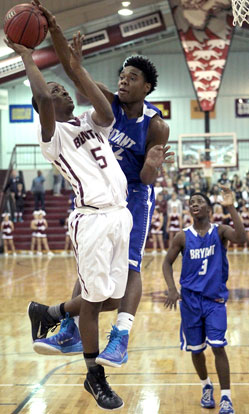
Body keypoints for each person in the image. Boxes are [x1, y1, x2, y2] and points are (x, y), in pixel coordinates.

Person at [28, 0, 174, 362]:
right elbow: (73, 70)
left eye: (132, 78)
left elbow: (146, 177)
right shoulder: (104, 105)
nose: (123, 81)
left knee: (131, 266)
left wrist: (153, 164)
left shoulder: (155, 125)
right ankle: (68, 326)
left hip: (134, 195)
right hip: (98, 200)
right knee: (88, 268)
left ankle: (120, 333)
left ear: (148, 87)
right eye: (122, 76)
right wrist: (55, 30)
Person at [4, 31, 142, 410]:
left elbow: (109, 111)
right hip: (93, 220)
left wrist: (76, 67)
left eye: (64, 89)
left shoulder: (88, 123)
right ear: (41, 104)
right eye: (54, 91)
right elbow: (44, 98)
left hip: (121, 216)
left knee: (112, 299)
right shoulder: (51, 136)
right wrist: (27, 57)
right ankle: (94, 376)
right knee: (95, 304)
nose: (60, 92)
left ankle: (50, 313)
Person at [162, 186, 246, 414]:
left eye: (199, 201)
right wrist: (171, 288)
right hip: (189, 302)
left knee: (218, 347)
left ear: (209, 208)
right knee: (196, 350)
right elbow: (166, 262)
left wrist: (230, 206)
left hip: (214, 301)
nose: (194, 204)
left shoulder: (220, 232)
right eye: (192, 202)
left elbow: (242, 237)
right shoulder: (182, 236)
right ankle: (205, 385)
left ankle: (226, 397)